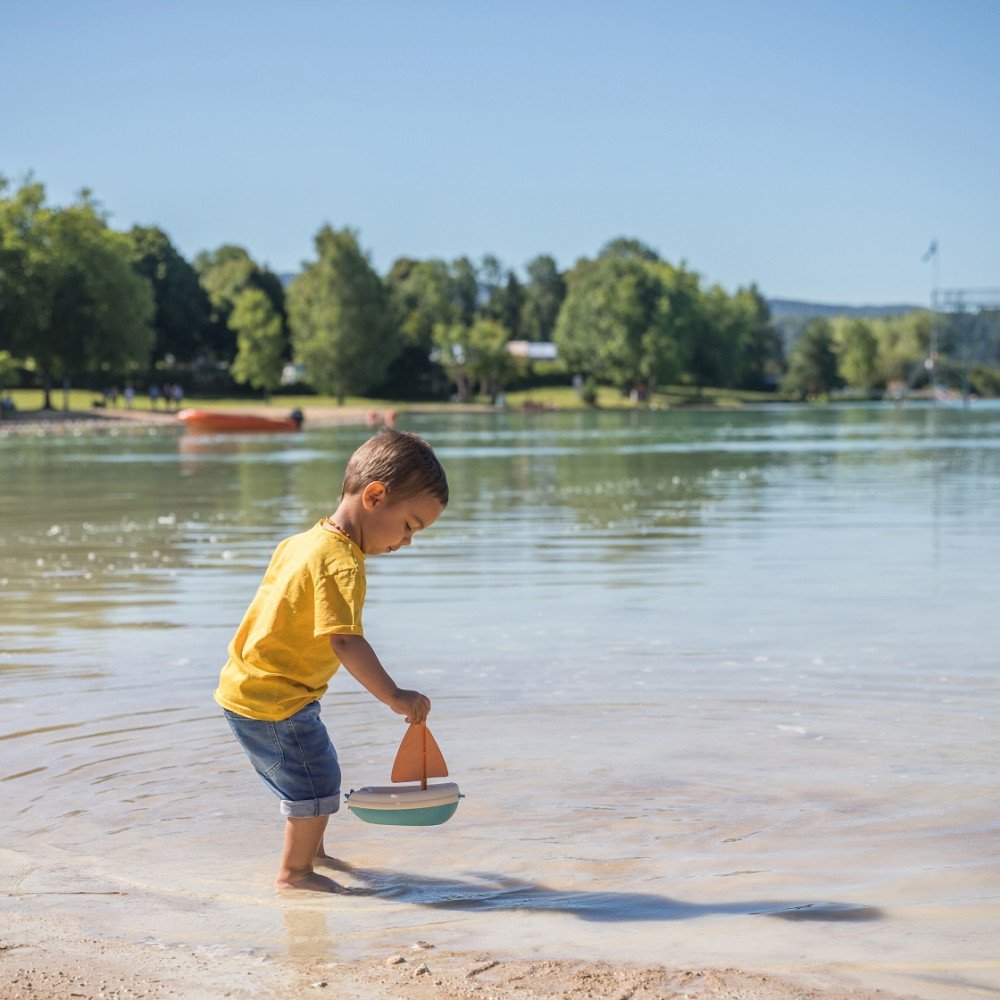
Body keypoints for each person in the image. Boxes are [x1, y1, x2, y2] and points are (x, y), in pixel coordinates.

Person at [214, 429, 449, 893]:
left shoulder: (302, 541)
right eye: (410, 525)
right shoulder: (343, 561)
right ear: (376, 496)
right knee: (318, 782)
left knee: (309, 776)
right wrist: (395, 695)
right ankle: (295, 873)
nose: (407, 542)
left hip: (250, 687)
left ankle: (311, 850)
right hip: (277, 699)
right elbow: (344, 641)